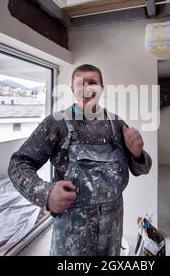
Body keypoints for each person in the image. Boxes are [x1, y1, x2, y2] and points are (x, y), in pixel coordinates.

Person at [8, 64, 152, 256]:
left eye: (92, 83)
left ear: (102, 88)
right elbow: (18, 163)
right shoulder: (57, 123)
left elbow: (143, 168)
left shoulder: (116, 124)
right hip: (72, 234)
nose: (86, 88)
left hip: (112, 231)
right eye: (80, 83)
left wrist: (138, 153)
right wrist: (46, 194)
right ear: (72, 89)